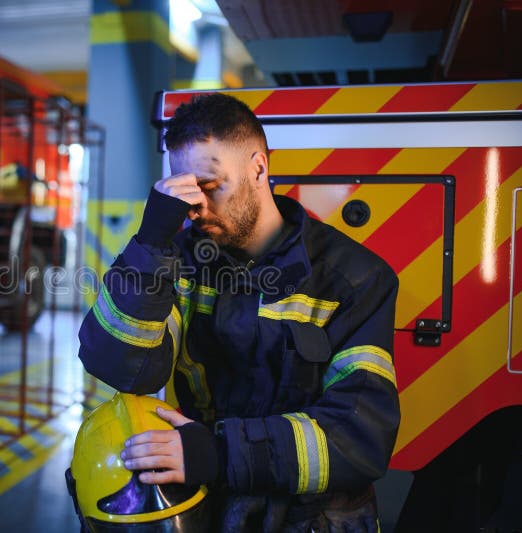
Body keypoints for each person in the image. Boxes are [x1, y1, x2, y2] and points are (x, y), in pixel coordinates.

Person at [77, 93, 400, 531]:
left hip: (316, 519)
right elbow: (121, 367)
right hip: (211, 509)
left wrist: (218, 452)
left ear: (258, 168)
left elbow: (360, 438)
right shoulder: (179, 265)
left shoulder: (353, 279)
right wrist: (151, 244)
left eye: (209, 187)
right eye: (184, 192)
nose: (196, 210)